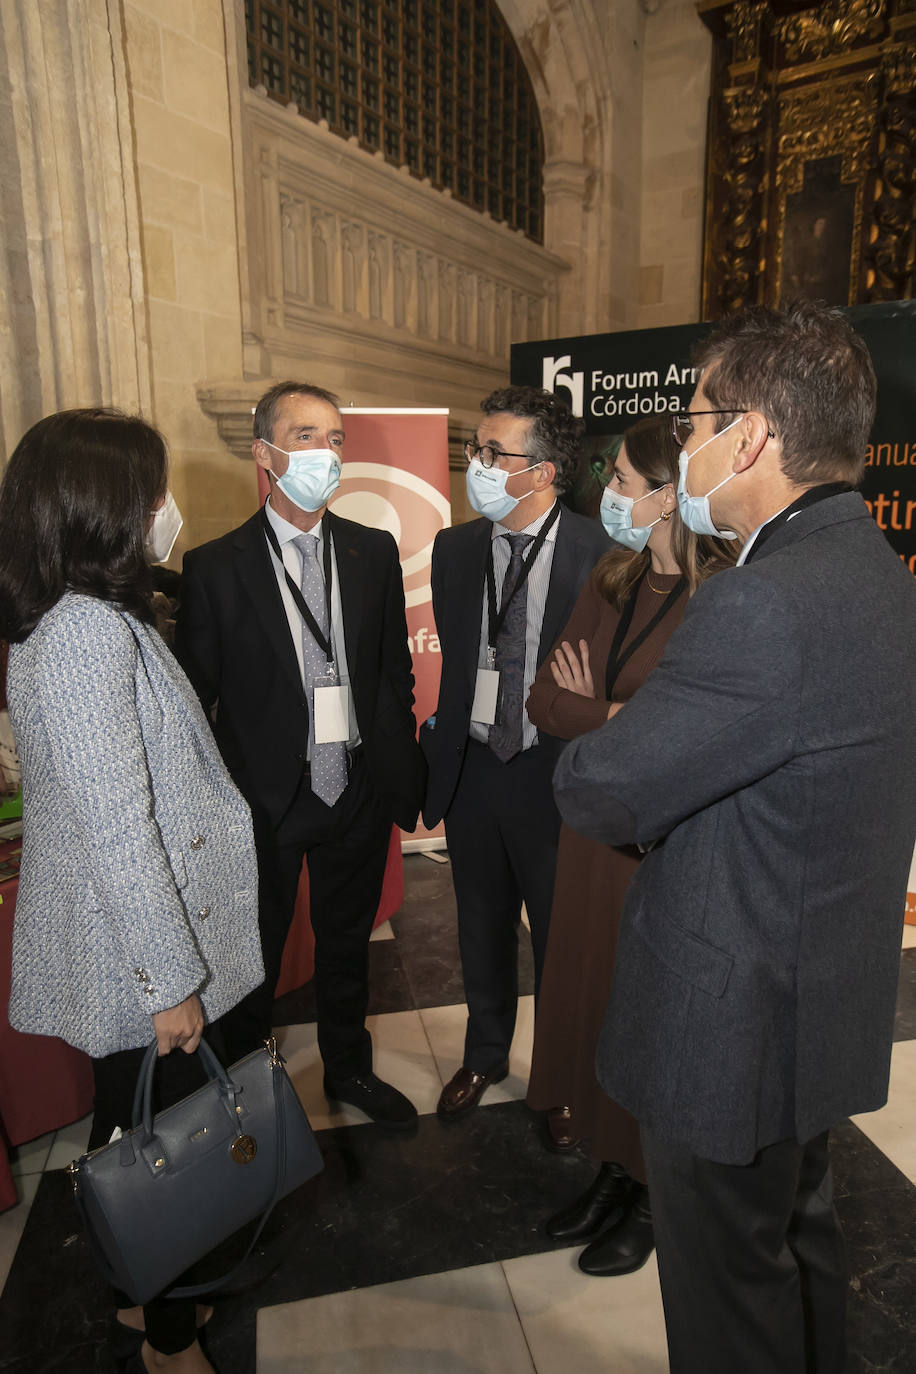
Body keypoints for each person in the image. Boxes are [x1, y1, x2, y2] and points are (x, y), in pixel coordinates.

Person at [553, 301, 916, 1374]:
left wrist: (593, 737)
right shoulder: (876, 572)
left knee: (725, 1303)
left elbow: (603, 794)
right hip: (813, 1003)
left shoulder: (759, 603)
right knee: (794, 1247)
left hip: (729, 1025)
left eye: (697, 414)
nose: (689, 436)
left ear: (750, 435)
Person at [0, 409, 264, 1374]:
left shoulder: (91, 617)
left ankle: (134, 1298)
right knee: (168, 1153)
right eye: (151, 493)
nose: (167, 510)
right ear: (103, 509)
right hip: (141, 955)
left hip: (139, 947)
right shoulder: (79, 638)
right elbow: (119, 828)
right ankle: (167, 1338)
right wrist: (172, 984)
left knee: (134, 1128)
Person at [175, 382, 426, 1131]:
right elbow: (198, 701)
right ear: (265, 453)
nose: (326, 452)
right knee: (253, 959)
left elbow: (392, 672)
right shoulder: (215, 568)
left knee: (349, 946)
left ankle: (349, 1068)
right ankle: (250, 1095)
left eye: (336, 438)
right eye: (307, 435)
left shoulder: (371, 550)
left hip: (354, 786)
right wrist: (232, 794)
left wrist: (388, 757)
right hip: (267, 800)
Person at [526, 414, 735, 1276]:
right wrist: (625, 719)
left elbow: (697, 737)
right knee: (592, 1003)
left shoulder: (721, 596)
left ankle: (651, 1190)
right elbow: (546, 702)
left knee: (648, 1019)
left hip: (661, 854)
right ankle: (612, 1170)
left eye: (620, 481)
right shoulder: (610, 580)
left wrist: (603, 714)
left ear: (667, 496)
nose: (604, 494)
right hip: (587, 845)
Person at [422, 386, 610, 1119]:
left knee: (564, 938)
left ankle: (564, 1082)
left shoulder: (604, 553)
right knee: (479, 921)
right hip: (473, 769)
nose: (477, 464)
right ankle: (483, 1054)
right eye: (476, 448)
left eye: (495, 453)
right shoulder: (456, 548)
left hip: (555, 772)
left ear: (543, 472)